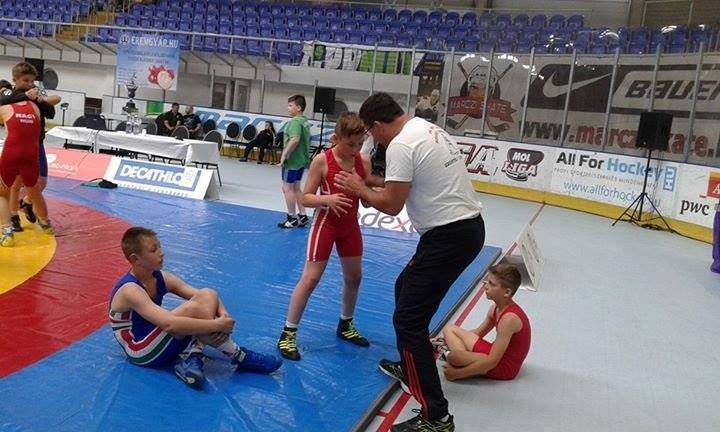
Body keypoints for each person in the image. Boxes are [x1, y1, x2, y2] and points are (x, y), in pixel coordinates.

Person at [334, 93, 485, 432]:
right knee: (404, 287)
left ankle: (436, 417)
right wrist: (371, 184)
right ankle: (410, 364)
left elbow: (391, 205)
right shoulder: (425, 129)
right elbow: (404, 183)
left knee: (408, 320)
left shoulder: (401, 145)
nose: (375, 142)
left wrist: (359, 188)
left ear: (376, 125)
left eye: (371, 134)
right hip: (465, 229)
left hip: (449, 237)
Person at [109, 227, 282, 389]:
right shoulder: (130, 290)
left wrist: (224, 316)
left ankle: (192, 354)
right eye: (153, 250)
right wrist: (218, 325)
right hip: (139, 350)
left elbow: (208, 295)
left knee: (207, 293)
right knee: (191, 310)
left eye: (159, 246)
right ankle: (238, 355)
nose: (161, 252)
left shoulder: (161, 277)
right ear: (135, 259)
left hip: (157, 337)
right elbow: (169, 324)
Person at [277, 112, 384, 361]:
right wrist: (328, 199)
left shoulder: (363, 161)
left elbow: (365, 198)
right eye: (350, 144)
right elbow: (305, 197)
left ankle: (345, 324)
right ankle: (288, 333)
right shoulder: (322, 161)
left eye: (359, 144)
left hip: (350, 227)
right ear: (336, 139)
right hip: (326, 225)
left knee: (354, 278)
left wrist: (371, 192)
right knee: (310, 279)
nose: (355, 150)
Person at [435, 264, 530, 381]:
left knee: (454, 357)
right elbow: (478, 333)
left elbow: (493, 361)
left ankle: (458, 361)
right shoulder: (495, 309)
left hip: (504, 367)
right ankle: (459, 359)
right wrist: (452, 339)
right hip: (494, 354)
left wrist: (457, 374)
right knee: (449, 329)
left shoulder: (509, 319)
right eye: (487, 281)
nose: (485, 286)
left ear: (507, 292)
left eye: (491, 284)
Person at [0, 71, 61, 233]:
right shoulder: (11, 95)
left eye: (32, 81)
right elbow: (3, 100)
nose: (30, 84)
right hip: (20, 146)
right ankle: (14, 217)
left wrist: (39, 99)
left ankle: (27, 203)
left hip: (35, 146)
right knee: (14, 185)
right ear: (16, 80)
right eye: (26, 80)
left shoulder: (34, 94)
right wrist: (25, 96)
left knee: (40, 184)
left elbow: (51, 112)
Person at [277, 95, 310, 229]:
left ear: (299, 107)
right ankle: (303, 215)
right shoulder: (305, 121)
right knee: (296, 188)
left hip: (292, 161)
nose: (288, 108)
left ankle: (291, 218)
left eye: (291, 106)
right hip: (301, 160)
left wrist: (285, 154)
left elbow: (295, 139)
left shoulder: (295, 122)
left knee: (287, 188)